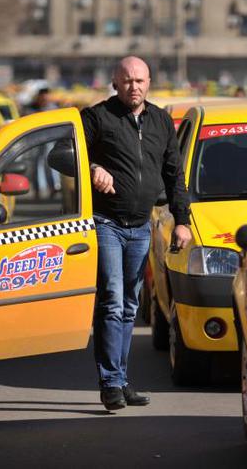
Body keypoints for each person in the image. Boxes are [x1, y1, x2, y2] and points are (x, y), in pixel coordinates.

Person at [82, 56, 192, 410]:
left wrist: (183, 220)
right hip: (107, 224)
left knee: (130, 305)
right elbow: (63, 154)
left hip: (141, 226)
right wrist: (95, 167)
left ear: (149, 83)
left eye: (141, 81)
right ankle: (111, 383)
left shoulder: (161, 120)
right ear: (115, 82)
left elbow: (175, 174)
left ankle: (121, 378)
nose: (135, 87)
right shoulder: (97, 117)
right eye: (128, 80)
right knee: (113, 301)